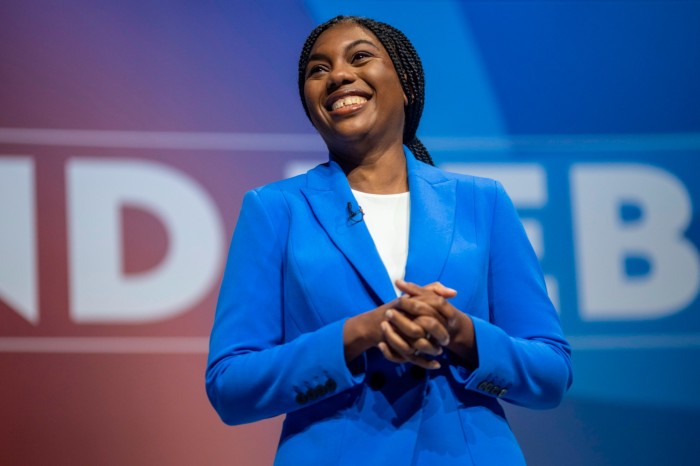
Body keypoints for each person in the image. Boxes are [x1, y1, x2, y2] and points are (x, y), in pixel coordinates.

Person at [206, 15, 572, 465]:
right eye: (317, 70)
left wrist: (462, 334)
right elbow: (229, 385)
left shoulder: (483, 201)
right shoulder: (274, 209)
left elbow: (551, 374)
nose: (338, 74)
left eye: (360, 57)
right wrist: (359, 333)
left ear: (406, 85)